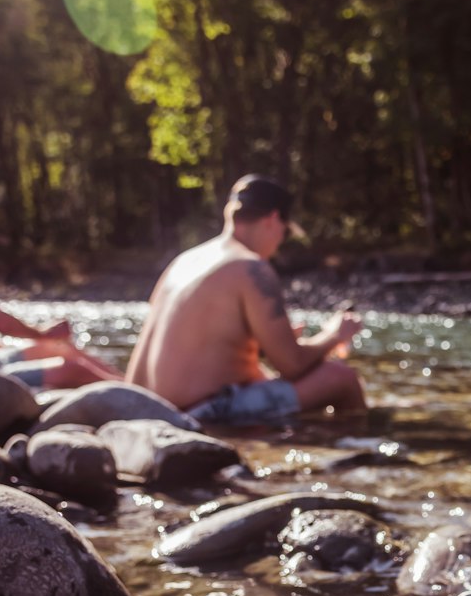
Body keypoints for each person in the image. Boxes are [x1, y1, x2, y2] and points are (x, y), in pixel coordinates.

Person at [126, 175, 366, 424]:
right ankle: (357, 453)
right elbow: (292, 364)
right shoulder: (251, 266)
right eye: (284, 232)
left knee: (268, 378)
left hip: (147, 412)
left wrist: (265, 348)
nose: (279, 243)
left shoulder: (184, 261)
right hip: (198, 415)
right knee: (341, 378)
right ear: (273, 219)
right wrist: (334, 334)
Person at [0, 200, 122, 389]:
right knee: (73, 370)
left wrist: (16, 344)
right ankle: (133, 393)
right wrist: (43, 333)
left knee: (59, 348)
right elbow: (0, 323)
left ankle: (130, 383)